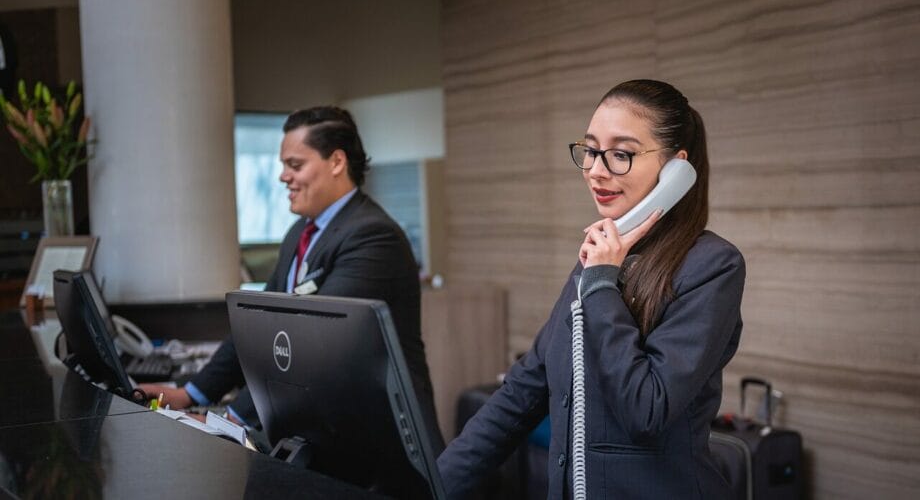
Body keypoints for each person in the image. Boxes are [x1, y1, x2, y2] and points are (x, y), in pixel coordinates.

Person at [437, 80, 746, 499]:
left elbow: (647, 409)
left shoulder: (711, 265)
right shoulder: (600, 258)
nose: (597, 170)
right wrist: (430, 486)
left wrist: (601, 283)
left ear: (677, 167)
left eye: (621, 154)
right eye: (591, 150)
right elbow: (521, 393)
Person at [140, 107, 441, 451]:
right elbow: (257, 328)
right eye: (284, 165)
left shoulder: (372, 237)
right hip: (324, 435)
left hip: (379, 448)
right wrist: (190, 393)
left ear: (337, 162)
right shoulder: (301, 231)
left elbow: (309, 348)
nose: (283, 176)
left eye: (295, 165)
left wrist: (230, 421)